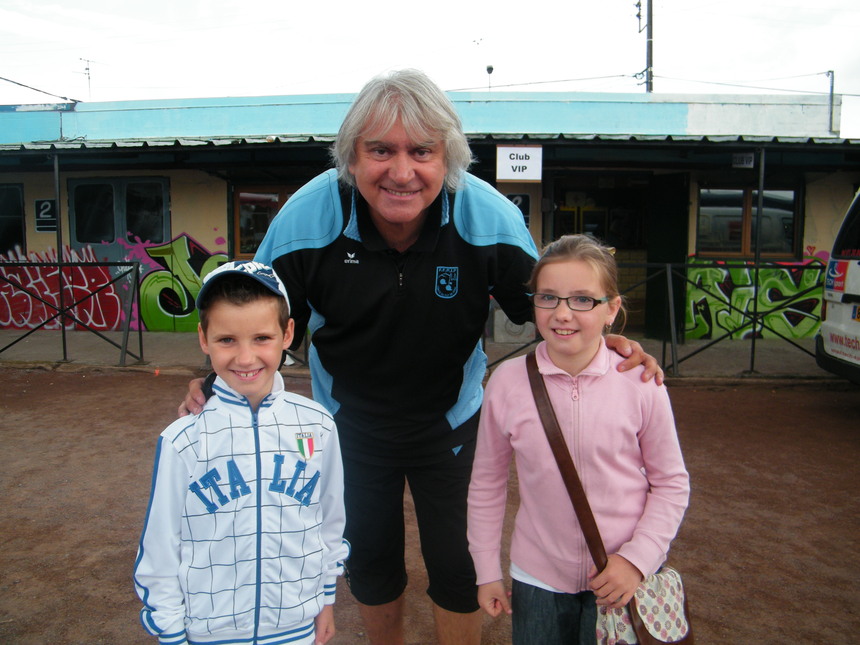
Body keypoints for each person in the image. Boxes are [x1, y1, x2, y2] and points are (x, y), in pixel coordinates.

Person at [181, 69, 663, 645]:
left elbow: (551, 305)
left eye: (423, 152)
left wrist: (599, 340)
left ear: (449, 160)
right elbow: (249, 321)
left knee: (458, 568)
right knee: (371, 564)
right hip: (349, 426)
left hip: (451, 425)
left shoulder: (487, 218)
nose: (402, 171)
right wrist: (214, 382)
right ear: (351, 159)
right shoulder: (305, 220)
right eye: (380, 150)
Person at [466, 234, 690, 644]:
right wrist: (486, 571)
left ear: (612, 309)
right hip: (538, 579)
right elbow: (486, 483)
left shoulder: (641, 382)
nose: (563, 313)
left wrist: (637, 560)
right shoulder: (507, 382)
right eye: (548, 297)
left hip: (622, 576)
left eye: (583, 299)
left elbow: (671, 483)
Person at [135, 260, 349, 645]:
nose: (246, 358)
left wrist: (326, 599)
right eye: (227, 340)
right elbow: (160, 547)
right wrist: (171, 632)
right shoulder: (183, 439)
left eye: (262, 338)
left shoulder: (318, 425)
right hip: (207, 632)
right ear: (204, 339)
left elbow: (329, 520)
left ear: (288, 334)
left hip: (296, 628)